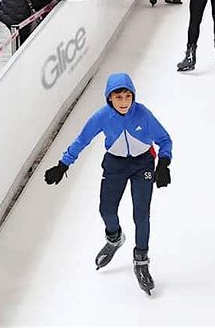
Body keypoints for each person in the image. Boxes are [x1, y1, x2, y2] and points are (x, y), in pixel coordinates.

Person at [43, 73, 171, 296]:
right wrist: (63, 165)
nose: (124, 102)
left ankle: (141, 260)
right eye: (118, 97)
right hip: (115, 165)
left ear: (133, 96)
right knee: (106, 210)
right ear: (109, 99)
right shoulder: (102, 117)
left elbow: (164, 140)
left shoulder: (143, 114)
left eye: (127, 96)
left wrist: (164, 163)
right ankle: (114, 238)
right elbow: (82, 140)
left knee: (141, 215)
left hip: (143, 165)